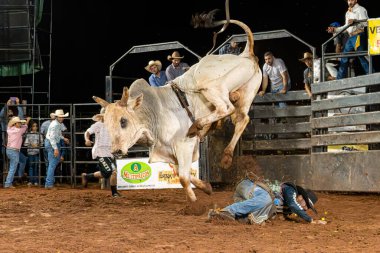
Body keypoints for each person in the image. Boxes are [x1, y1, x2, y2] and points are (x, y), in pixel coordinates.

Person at [81, 108, 121, 197]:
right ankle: (114, 193)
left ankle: (87, 176)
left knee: (106, 173)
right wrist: (87, 139)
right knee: (113, 171)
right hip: (101, 151)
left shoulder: (113, 125)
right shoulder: (98, 125)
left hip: (110, 151)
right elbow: (87, 132)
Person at [327, 0, 369, 80]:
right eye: (348, 0)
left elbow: (366, 23)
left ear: (356, 0)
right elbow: (345, 27)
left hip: (358, 35)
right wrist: (335, 30)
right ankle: (339, 79)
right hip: (351, 37)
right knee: (344, 56)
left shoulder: (361, 9)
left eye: (351, 0)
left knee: (361, 56)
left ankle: (370, 74)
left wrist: (355, 22)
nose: (349, 2)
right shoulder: (348, 13)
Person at [208, 176, 276, 225]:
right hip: (248, 186)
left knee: (267, 202)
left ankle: (230, 215)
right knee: (267, 199)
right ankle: (227, 211)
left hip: (246, 193)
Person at [44, 109, 70, 189]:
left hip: (52, 143)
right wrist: (55, 148)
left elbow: (56, 135)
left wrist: (63, 138)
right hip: (52, 144)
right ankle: (49, 184)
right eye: (60, 117)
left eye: (62, 117)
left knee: (52, 164)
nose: (62, 118)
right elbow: (52, 137)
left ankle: (49, 183)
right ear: (57, 117)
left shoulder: (56, 124)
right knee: (52, 164)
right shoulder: (55, 125)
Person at [4, 116, 31, 188]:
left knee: (21, 161)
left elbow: (10, 125)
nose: (20, 124)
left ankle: (17, 177)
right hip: (14, 150)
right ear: (15, 124)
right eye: (19, 123)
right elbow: (25, 126)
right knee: (13, 168)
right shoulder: (19, 131)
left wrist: (15, 122)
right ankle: (8, 183)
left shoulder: (9, 129)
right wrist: (27, 120)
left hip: (10, 150)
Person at [23, 121, 44, 186]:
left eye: (36, 126)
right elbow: (25, 144)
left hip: (37, 153)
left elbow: (42, 143)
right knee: (31, 167)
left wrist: (37, 145)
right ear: (31, 127)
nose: (35, 127)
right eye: (33, 126)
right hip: (30, 153)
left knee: (36, 167)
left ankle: (35, 181)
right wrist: (31, 144)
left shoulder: (39, 134)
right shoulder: (29, 134)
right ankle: (31, 181)